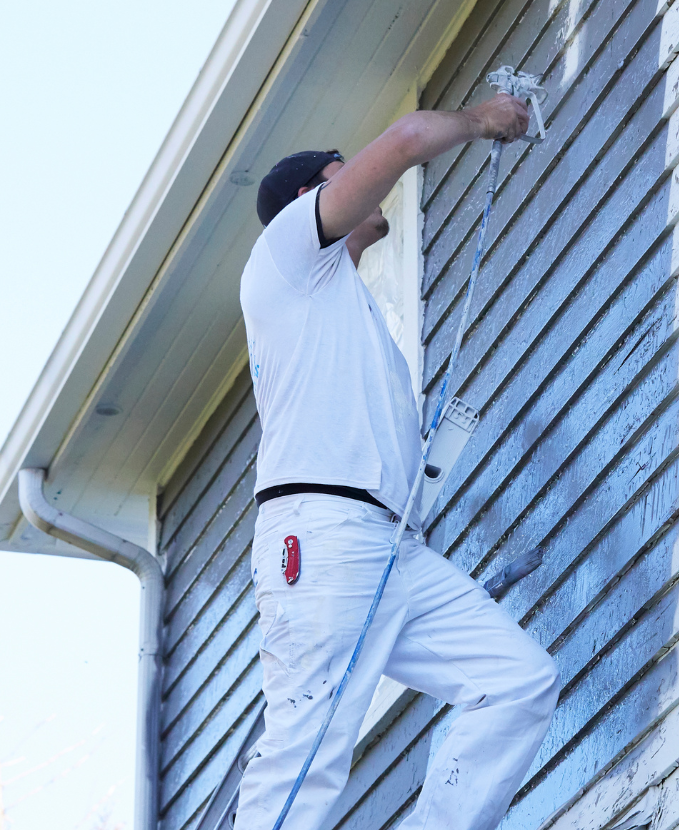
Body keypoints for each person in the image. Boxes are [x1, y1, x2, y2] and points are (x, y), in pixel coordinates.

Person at [233, 92, 560, 830]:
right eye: (348, 173)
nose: (369, 185)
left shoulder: (353, 317)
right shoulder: (288, 256)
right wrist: (482, 121)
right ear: (312, 194)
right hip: (324, 538)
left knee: (516, 682)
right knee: (305, 753)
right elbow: (409, 138)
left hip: (394, 551)